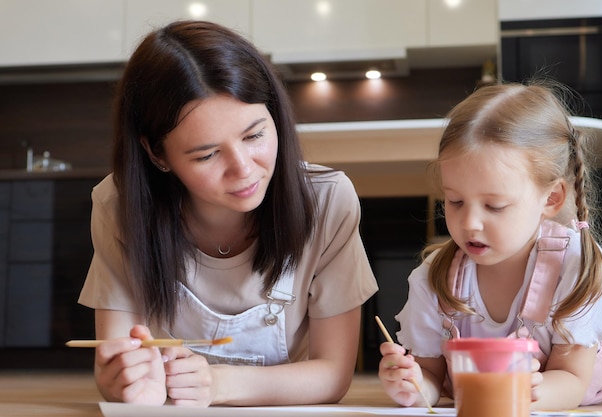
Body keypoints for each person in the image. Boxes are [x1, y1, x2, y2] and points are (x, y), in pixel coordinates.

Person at [78, 20, 378, 407]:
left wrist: (217, 385)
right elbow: (117, 363)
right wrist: (124, 381)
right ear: (157, 154)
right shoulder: (118, 207)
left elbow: (333, 374)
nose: (244, 168)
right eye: (207, 154)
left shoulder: (327, 202)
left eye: (254, 135)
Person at [378, 81, 602, 411]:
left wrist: (527, 391)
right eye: (455, 201)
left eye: (494, 206)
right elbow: (431, 377)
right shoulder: (434, 278)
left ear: (551, 198)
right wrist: (411, 384)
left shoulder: (573, 267)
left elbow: (571, 380)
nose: (469, 223)